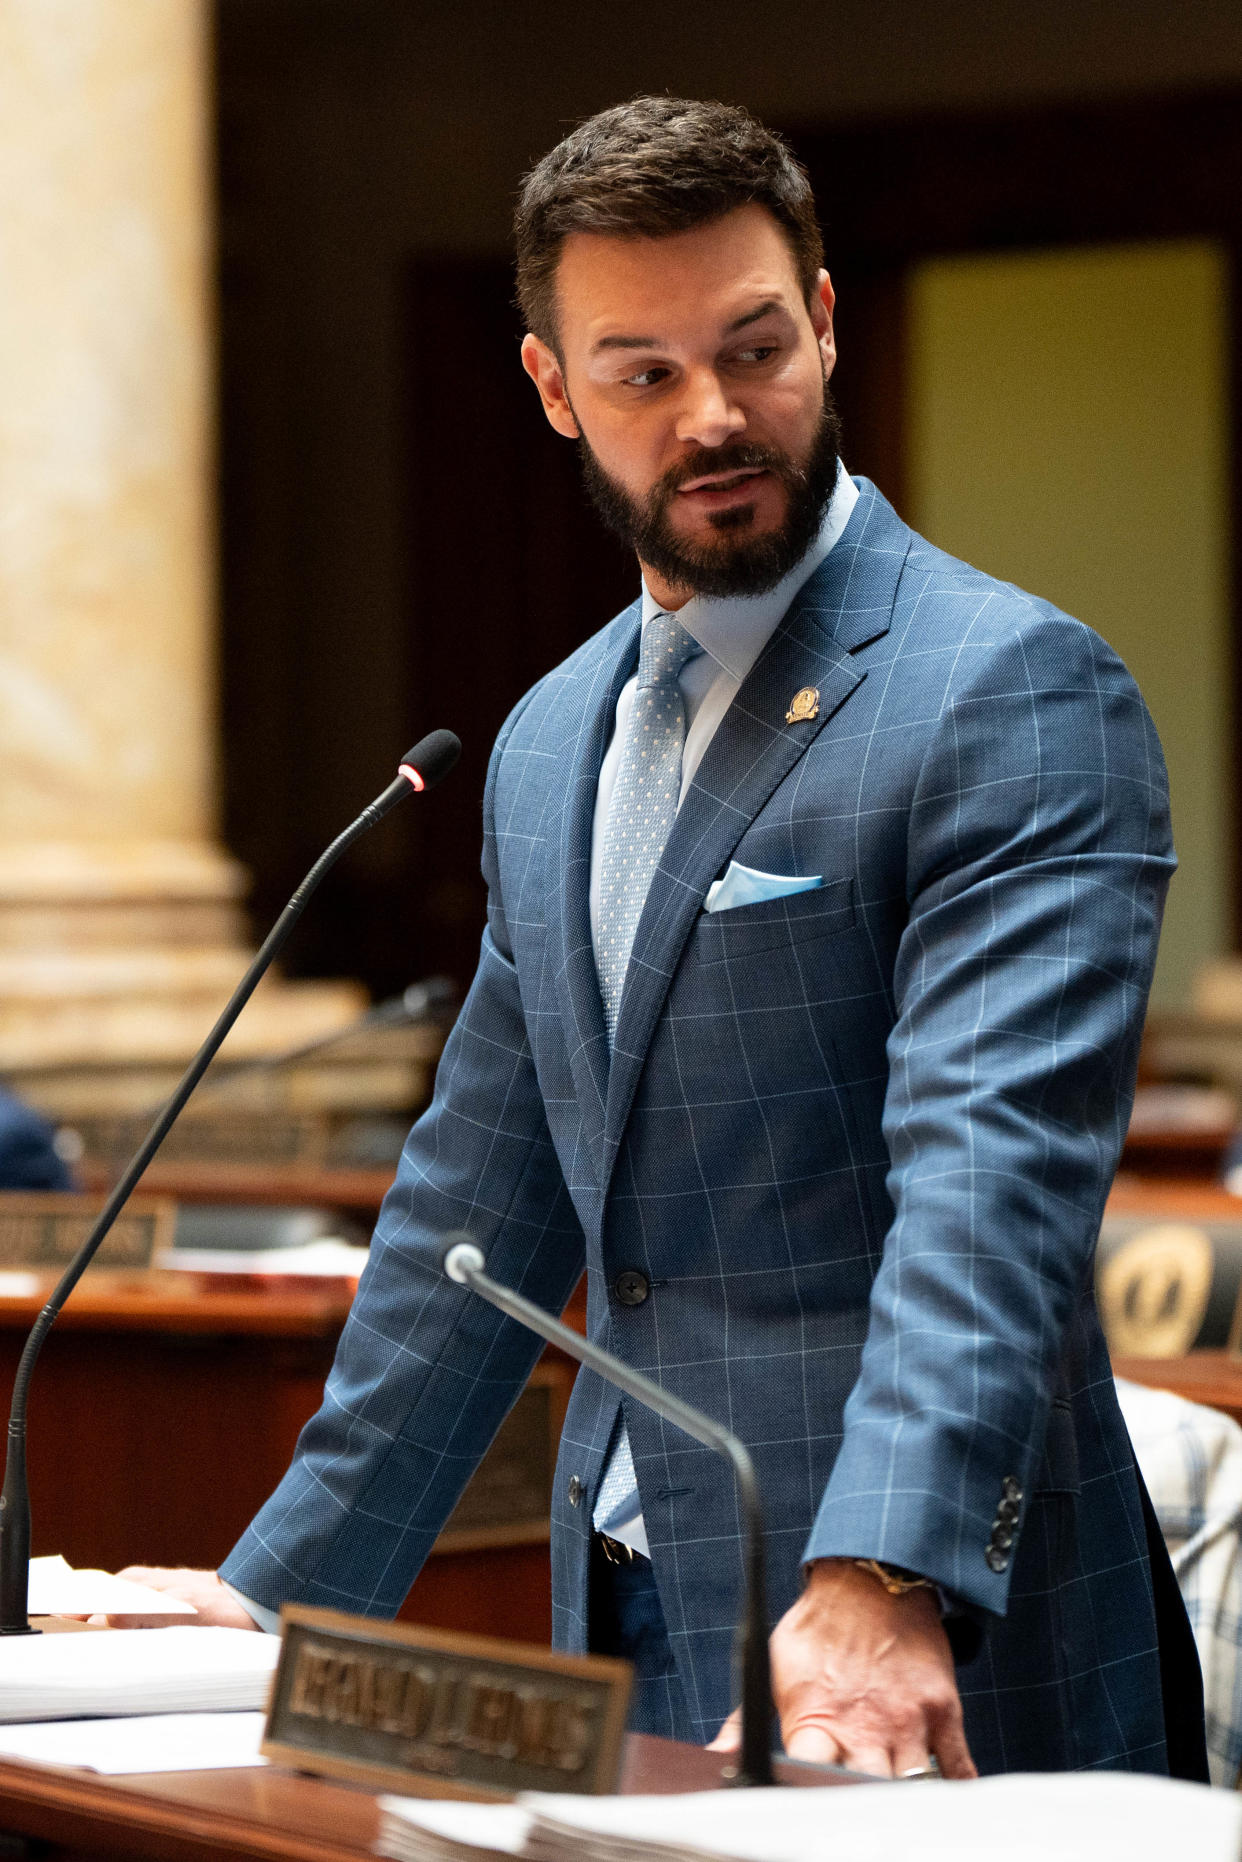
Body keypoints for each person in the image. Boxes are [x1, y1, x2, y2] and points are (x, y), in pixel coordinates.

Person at [116, 96, 1206, 1782]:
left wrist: (877, 1568)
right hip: (623, 1593)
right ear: (553, 388)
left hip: (918, 1639)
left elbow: (989, 1183)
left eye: (754, 347)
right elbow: (474, 1215)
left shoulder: (1005, 689)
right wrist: (276, 1597)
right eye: (640, 373)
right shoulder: (550, 738)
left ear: (825, 324)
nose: (714, 414)